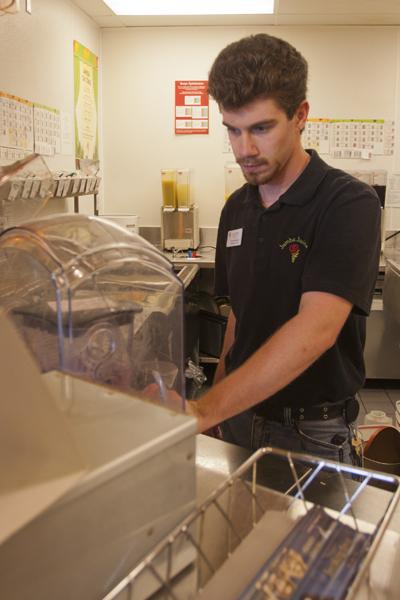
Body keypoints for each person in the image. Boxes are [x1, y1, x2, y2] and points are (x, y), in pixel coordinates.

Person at [186, 33, 381, 464]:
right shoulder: (236, 208)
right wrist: (220, 403)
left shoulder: (347, 203)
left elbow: (317, 328)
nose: (244, 150)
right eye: (232, 131)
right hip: (239, 419)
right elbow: (240, 314)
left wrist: (203, 408)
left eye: (261, 128)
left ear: (300, 115)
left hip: (310, 431)